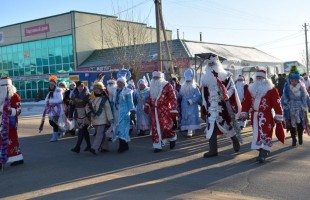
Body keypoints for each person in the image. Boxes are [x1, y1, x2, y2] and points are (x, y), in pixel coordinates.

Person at [201, 54, 241, 158]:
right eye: (209, 64)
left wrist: (226, 93)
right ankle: (213, 150)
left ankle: (235, 140)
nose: (211, 66)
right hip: (211, 107)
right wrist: (204, 106)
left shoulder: (226, 75)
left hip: (222, 106)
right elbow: (204, 94)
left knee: (227, 125)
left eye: (212, 64)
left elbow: (232, 88)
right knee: (211, 127)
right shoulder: (205, 78)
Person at [240, 69, 284, 163]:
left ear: (265, 78)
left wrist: (279, 115)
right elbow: (246, 102)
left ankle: (263, 154)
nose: (259, 79)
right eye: (257, 77)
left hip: (266, 116)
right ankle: (264, 150)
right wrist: (244, 111)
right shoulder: (251, 89)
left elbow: (277, 103)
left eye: (261, 77)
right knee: (257, 135)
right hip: (255, 116)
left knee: (266, 133)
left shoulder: (271, 90)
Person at [145, 71, 178, 153]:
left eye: (157, 78)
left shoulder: (167, 85)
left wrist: (174, 110)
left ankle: (172, 138)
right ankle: (157, 146)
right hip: (154, 111)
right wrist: (147, 105)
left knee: (166, 127)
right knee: (155, 128)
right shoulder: (152, 86)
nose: (155, 79)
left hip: (164, 111)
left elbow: (173, 98)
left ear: (161, 78)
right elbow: (150, 97)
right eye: (154, 78)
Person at [282, 67, 309, 146]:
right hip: (290, 109)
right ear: (290, 80)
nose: (293, 82)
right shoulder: (287, 88)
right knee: (291, 125)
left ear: (298, 80)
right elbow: (284, 98)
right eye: (292, 80)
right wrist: (285, 106)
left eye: (295, 80)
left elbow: (306, 97)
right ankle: (294, 138)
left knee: (300, 124)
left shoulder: (302, 87)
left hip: (300, 108)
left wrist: (306, 105)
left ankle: (300, 137)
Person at [0, 77, 24, 166]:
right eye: (2, 86)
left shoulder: (15, 96)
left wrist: (10, 110)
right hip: (0, 122)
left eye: (6, 86)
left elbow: (19, 110)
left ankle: (17, 157)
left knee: (12, 140)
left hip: (11, 123)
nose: (4, 88)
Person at [87, 80, 114, 155]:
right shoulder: (92, 99)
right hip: (95, 119)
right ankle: (105, 147)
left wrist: (110, 119)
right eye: (95, 89)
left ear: (101, 90)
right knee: (103, 134)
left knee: (99, 134)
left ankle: (94, 148)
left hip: (103, 120)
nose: (97, 91)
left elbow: (108, 109)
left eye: (98, 89)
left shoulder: (104, 99)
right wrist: (89, 113)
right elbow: (89, 108)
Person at [112, 69, 134, 153]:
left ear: (124, 83)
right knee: (118, 129)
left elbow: (130, 103)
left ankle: (121, 147)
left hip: (125, 113)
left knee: (122, 129)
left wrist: (132, 112)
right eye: (118, 82)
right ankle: (125, 145)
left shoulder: (128, 92)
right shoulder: (115, 91)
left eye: (121, 83)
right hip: (116, 113)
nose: (119, 84)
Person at [69, 81, 92, 153]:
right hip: (77, 114)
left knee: (81, 130)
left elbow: (91, 105)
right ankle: (88, 145)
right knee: (84, 131)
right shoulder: (73, 95)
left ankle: (77, 147)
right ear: (77, 87)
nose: (80, 88)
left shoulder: (87, 94)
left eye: (82, 86)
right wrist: (70, 115)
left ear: (84, 86)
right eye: (79, 86)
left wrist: (92, 114)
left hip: (85, 114)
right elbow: (71, 106)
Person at [178, 68, 202, 137]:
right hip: (184, 104)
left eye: (189, 80)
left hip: (192, 105)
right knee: (185, 116)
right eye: (187, 80)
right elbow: (180, 94)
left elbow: (198, 96)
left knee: (192, 117)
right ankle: (189, 129)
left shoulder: (195, 87)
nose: (188, 81)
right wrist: (177, 95)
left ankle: (190, 130)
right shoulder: (183, 87)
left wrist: (192, 100)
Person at [44, 75, 65, 142]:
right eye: (50, 85)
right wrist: (47, 102)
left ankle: (54, 137)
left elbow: (60, 100)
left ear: (55, 85)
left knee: (55, 124)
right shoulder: (49, 92)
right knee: (51, 123)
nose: (51, 86)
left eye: (52, 85)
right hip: (51, 111)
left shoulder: (58, 91)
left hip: (57, 110)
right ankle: (62, 129)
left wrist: (50, 101)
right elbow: (46, 100)